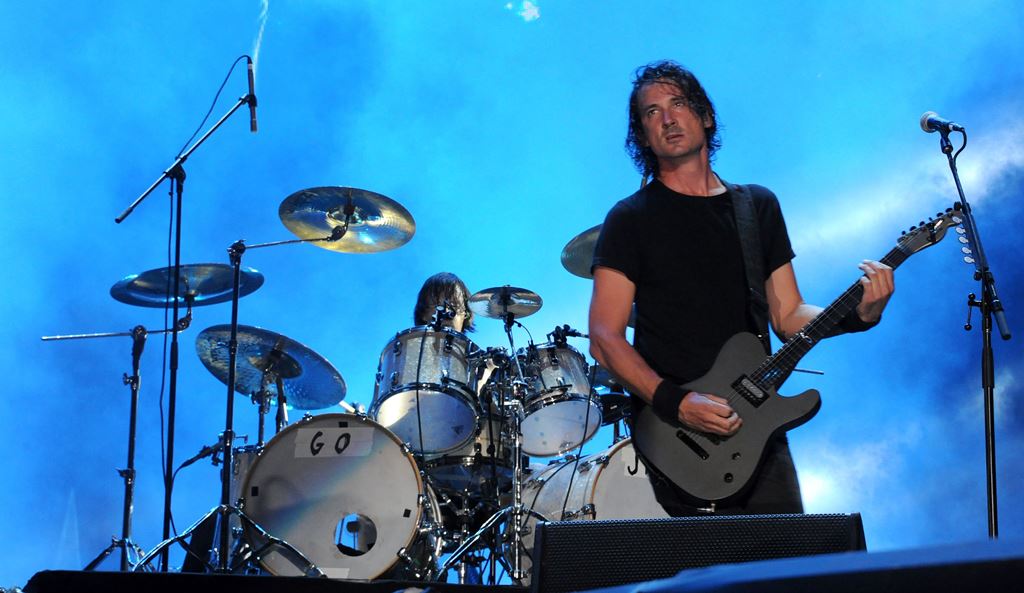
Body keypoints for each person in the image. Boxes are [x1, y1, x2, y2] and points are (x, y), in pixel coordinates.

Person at [587, 60, 895, 516]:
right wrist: (678, 402)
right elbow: (605, 337)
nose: (668, 119)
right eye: (652, 113)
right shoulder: (630, 219)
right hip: (678, 435)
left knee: (789, 572)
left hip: (755, 423)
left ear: (706, 116)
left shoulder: (757, 207)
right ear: (643, 136)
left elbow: (788, 316)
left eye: (678, 104)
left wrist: (861, 315)